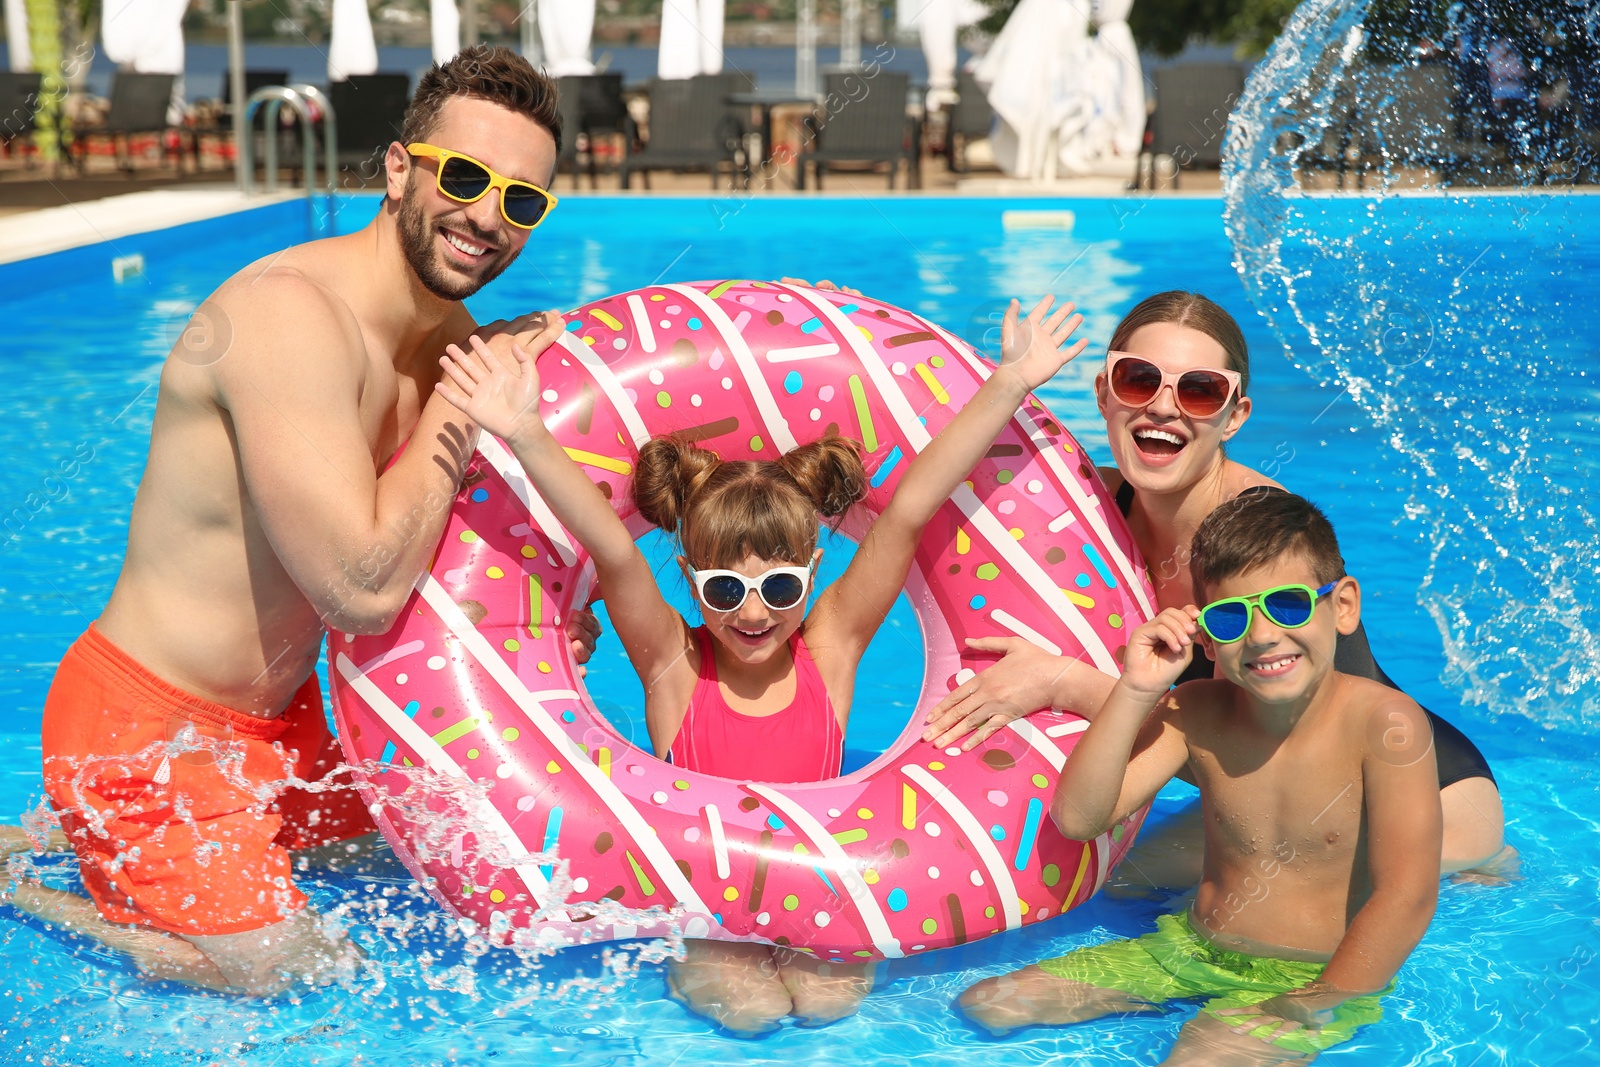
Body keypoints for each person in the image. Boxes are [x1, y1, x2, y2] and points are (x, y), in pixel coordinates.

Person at [4, 46, 600, 995]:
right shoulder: (290, 318)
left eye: (522, 200)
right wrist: (465, 394)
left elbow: (433, 553)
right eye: (467, 177)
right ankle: (24, 882)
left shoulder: (447, 342)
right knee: (299, 978)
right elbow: (360, 588)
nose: (489, 217)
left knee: (462, 883)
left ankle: (73, 840)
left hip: (294, 730)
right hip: (149, 732)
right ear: (400, 170)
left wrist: (550, 613)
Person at [432, 294, 1087, 1033]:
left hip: (830, 894)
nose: (752, 613)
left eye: (779, 586)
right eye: (725, 589)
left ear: (812, 571)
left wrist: (1010, 382)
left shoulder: (829, 649)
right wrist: (523, 429)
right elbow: (611, 550)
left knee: (829, 1004)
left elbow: (907, 513)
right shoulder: (673, 666)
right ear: (687, 577)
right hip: (713, 917)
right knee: (749, 1015)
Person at [922, 291, 1507, 880]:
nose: (1163, 409)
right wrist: (1010, 382)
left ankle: (1491, 863)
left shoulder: (1264, 538)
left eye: (1199, 391)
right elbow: (922, 493)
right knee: (1115, 886)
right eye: (1137, 380)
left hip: (1410, 796)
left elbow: (1276, 742)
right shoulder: (1088, 507)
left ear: (1235, 416)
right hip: (1273, 798)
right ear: (1103, 394)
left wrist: (1061, 682)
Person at [960, 491, 1442, 1063]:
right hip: (1190, 947)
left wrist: (1318, 1000)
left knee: (1198, 1056)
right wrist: (1137, 689)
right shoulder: (1197, 712)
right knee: (991, 1000)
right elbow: (1079, 818)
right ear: (1206, 639)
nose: (1262, 636)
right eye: (1232, 617)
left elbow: (1407, 895)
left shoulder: (1385, 723)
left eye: (1287, 605)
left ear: (1342, 605)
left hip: (1314, 976)